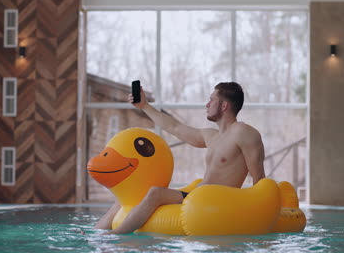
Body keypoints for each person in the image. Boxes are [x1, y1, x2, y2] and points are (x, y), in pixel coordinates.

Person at [95, 82, 266, 234]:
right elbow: (175, 127)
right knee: (134, 195)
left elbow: (259, 178)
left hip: (217, 202)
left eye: (211, 100)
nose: (207, 104)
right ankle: (96, 233)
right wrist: (145, 106)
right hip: (196, 195)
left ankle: (116, 235)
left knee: (155, 193)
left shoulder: (245, 133)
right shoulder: (211, 136)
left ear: (224, 106)